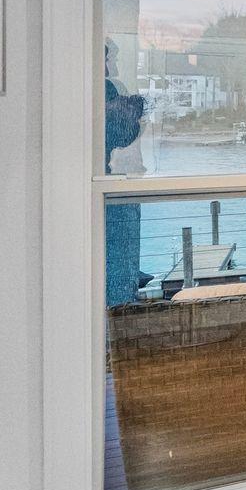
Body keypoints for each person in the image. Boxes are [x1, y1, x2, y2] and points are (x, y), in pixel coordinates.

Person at [104, 39, 148, 306]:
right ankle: (121, 300)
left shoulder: (104, 89)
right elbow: (121, 133)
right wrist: (136, 108)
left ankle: (123, 290)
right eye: (110, 58)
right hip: (108, 185)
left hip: (108, 179)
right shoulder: (103, 89)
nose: (114, 64)